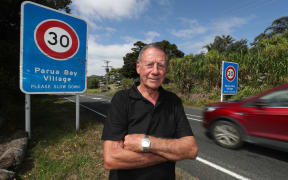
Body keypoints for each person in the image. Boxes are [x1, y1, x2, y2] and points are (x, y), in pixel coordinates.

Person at [102, 43, 198, 180]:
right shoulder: (122, 99)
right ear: (138, 67)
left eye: (161, 65)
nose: (155, 71)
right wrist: (168, 153)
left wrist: (145, 142)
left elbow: (191, 149)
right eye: (149, 64)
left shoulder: (173, 101)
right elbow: (111, 159)